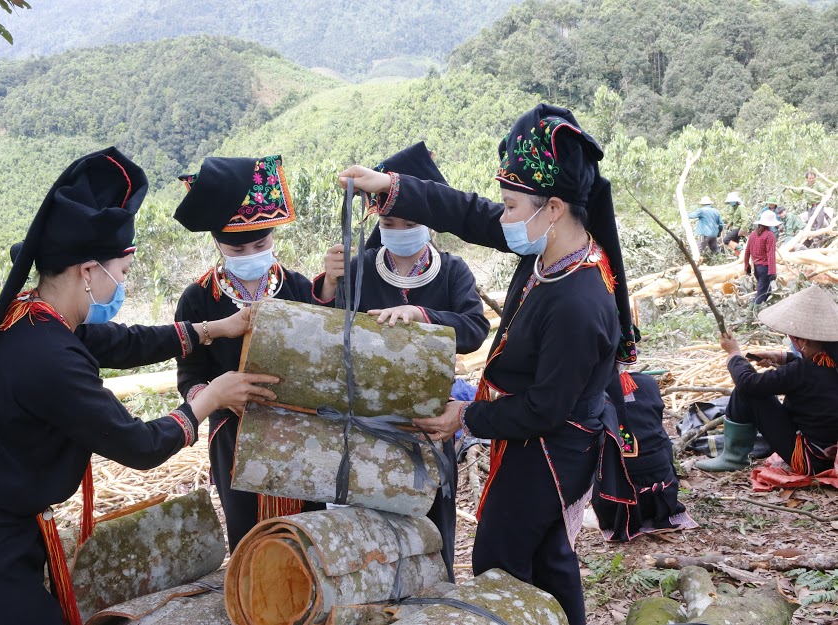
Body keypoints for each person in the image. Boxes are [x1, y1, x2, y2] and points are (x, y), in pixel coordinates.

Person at [0, 148, 279, 625]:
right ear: (87, 272)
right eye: (120, 274)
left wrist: (211, 329)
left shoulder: (32, 318)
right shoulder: (48, 358)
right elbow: (139, 445)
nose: (120, 285)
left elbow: (121, 342)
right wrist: (211, 398)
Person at [336, 104, 636, 625]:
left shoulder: (578, 302)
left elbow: (545, 407)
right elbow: (470, 212)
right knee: (550, 559)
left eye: (511, 205)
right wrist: (391, 185)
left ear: (554, 208)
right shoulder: (549, 249)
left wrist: (466, 417)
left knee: (501, 562)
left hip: (548, 449)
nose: (503, 216)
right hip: (531, 439)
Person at [313, 142, 490, 580]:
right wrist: (330, 284)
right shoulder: (362, 267)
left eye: (411, 222)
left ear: (430, 221)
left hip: (430, 421)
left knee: (430, 517)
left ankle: (435, 594)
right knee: (371, 519)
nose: (400, 230)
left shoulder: (452, 271)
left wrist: (422, 315)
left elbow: (473, 330)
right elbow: (331, 332)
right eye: (390, 222)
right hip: (370, 420)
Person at [172, 155, 325, 553]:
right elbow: (189, 374)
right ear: (218, 243)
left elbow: (324, 356)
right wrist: (213, 396)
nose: (251, 254)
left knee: (309, 529)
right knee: (247, 530)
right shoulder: (198, 299)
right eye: (237, 248)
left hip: (301, 431)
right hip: (232, 435)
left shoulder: (298, 288)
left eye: (261, 244)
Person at [697, 286, 838, 473]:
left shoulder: (801, 371)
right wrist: (781, 357)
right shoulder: (828, 363)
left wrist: (734, 354)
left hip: (808, 458)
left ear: (802, 342)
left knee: (746, 393)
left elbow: (748, 383)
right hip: (828, 454)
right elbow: (814, 373)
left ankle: (733, 457)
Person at [592, 371, 698, 541]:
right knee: (660, 437)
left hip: (616, 496)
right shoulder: (648, 382)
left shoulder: (591, 388)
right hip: (662, 485)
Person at [743, 211, 779, 311]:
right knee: (761, 293)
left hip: (757, 267)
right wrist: (772, 272)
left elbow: (747, 251)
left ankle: (761, 311)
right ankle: (751, 314)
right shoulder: (769, 235)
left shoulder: (753, 234)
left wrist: (747, 266)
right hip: (765, 268)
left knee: (767, 291)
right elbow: (771, 254)